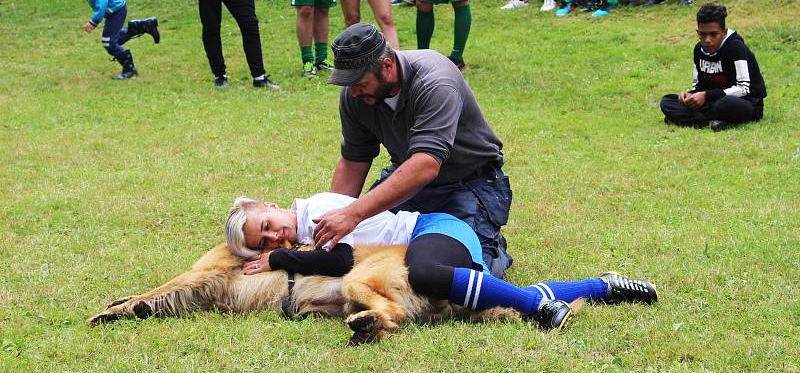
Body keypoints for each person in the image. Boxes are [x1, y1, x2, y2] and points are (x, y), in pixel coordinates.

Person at [225, 192, 658, 331]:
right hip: (425, 245)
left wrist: (281, 257)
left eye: (266, 223)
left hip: (435, 231)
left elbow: (340, 262)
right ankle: (604, 286)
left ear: (271, 203)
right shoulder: (303, 235)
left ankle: (541, 309)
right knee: (489, 304)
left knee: (427, 273)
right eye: (262, 240)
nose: (273, 235)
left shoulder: (317, 209)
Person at [312, 23, 513, 277]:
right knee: (360, 254)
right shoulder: (355, 96)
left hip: (469, 184)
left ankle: (490, 244)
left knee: (458, 270)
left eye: (359, 83)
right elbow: (354, 161)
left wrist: (354, 213)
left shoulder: (436, 81)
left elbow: (425, 164)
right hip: (408, 184)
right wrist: (331, 223)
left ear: (386, 66)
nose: (353, 92)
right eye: (347, 83)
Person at [660, 3, 767, 131]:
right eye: (702, 34)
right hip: (712, 102)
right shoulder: (698, 50)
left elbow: (744, 88)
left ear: (724, 32)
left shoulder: (736, 47)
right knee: (667, 101)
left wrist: (706, 96)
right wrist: (690, 95)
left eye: (713, 34)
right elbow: (698, 85)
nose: (707, 40)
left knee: (727, 104)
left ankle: (690, 119)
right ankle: (710, 121)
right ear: (697, 32)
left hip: (744, 102)